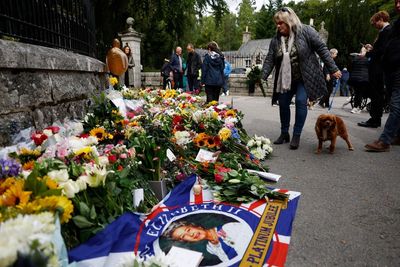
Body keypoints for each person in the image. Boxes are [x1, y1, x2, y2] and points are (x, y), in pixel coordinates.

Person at [262, 7, 341, 149]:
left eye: (281, 23)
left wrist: (333, 68)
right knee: (283, 103)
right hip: (286, 79)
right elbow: (270, 58)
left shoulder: (306, 31)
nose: (278, 26)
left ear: (290, 21)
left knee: (300, 101)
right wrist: (263, 74)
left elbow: (322, 49)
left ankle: (296, 135)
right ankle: (284, 133)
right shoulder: (276, 40)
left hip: (305, 77)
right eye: (277, 23)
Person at [365, 0, 400, 151]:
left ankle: (385, 140)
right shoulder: (397, 24)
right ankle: (397, 135)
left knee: (396, 104)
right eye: (396, 2)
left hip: (397, 68)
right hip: (391, 67)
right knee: (395, 102)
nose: (398, 5)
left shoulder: (390, 28)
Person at [358, 11, 392, 128]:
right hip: (378, 68)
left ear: (381, 19)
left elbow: (381, 51)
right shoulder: (385, 32)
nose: (374, 26)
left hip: (378, 69)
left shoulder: (386, 31)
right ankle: (375, 118)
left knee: (376, 94)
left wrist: (367, 53)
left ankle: (375, 119)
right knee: (376, 94)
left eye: (374, 23)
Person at [162, 220, 252, 263]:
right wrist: (217, 245)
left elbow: (247, 249)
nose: (191, 235)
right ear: (184, 240)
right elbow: (229, 262)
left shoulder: (228, 227)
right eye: (184, 236)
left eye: (188, 230)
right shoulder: (210, 248)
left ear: (195, 226)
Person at [348, 46, 371, 114]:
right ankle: (356, 107)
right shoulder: (367, 59)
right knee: (359, 93)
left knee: (357, 92)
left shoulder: (355, 58)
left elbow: (350, 67)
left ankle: (356, 106)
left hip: (354, 79)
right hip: (363, 79)